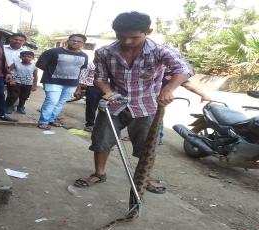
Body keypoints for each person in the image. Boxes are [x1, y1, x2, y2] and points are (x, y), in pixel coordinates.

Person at [74, 11, 193, 193]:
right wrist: (107, 92)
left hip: (147, 107)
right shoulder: (105, 52)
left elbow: (183, 69)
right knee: (101, 140)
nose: (127, 41)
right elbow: (99, 78)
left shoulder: (161, 51)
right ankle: (99, 173)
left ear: (148, 31)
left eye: (134, 37)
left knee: (147, 146)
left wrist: (168, 90)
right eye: (121, 36)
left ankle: (145, 178)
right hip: (114, 105)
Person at [36, 34, 88, 130]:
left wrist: (79, 87)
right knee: (52, 101)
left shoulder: (84, 55)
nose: (75, 42)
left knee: (61, 102)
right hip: (52, 81)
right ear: (68, 41)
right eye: (73, 40)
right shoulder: (53, 52)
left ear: (83, 44)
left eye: (79, 41)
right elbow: (40, 64)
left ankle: (51, 119)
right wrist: (52, 73)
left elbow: (82, 71)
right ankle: (43, 121)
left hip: (71, 84)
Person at [158, 70, 212, 144]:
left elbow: (187, 83)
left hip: (160, 102)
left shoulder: (173, 71)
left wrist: (203, 95)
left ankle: (157, 138)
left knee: (157, 120)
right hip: (142, 101)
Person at [74, 62, 103, 132]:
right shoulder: (90, 64)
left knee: (106, 109)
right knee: (91, 107)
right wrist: (78, 90)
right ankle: (90, 124)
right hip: (92, 87)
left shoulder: (110, 63)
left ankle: (103, 126)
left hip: (108, 89)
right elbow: (82, 77)